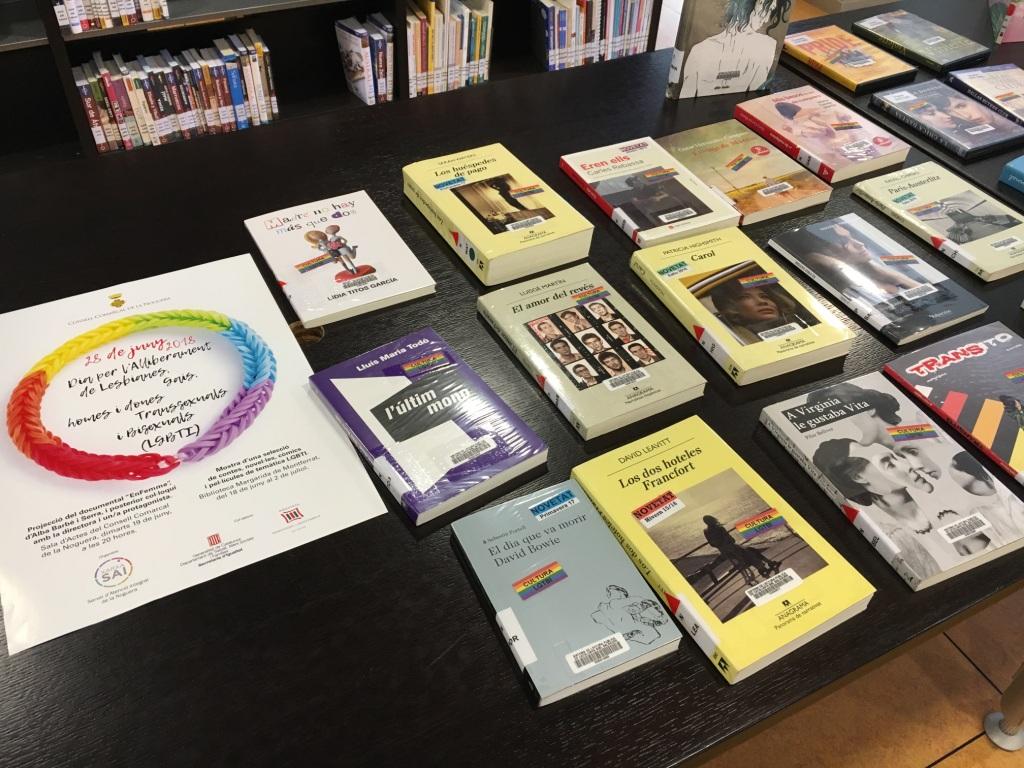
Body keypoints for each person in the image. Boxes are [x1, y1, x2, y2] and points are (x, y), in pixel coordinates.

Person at [673, 0, 792, 98]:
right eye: (765, 7)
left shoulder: (766, 46)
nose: (766, 19)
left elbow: (752, 99)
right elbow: (685, 99)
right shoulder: (701, 50)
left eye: (771, 10)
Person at [706, 277, 810, 344]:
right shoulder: (733, 340)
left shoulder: (807, 323)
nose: (762, 301)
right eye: (745, 297)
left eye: (764, 296)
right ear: (731, 309)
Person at [702, 515, 781, 583]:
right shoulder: (720, 528)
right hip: (733, 549)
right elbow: (732, 540)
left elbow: (712, 544)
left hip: (725, 552)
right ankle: (763, 568)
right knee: (751, 552)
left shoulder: (706, 531)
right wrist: (728, 544)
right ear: (713, 520)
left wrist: (721, 546)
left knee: (751, 550)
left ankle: (768, 565)